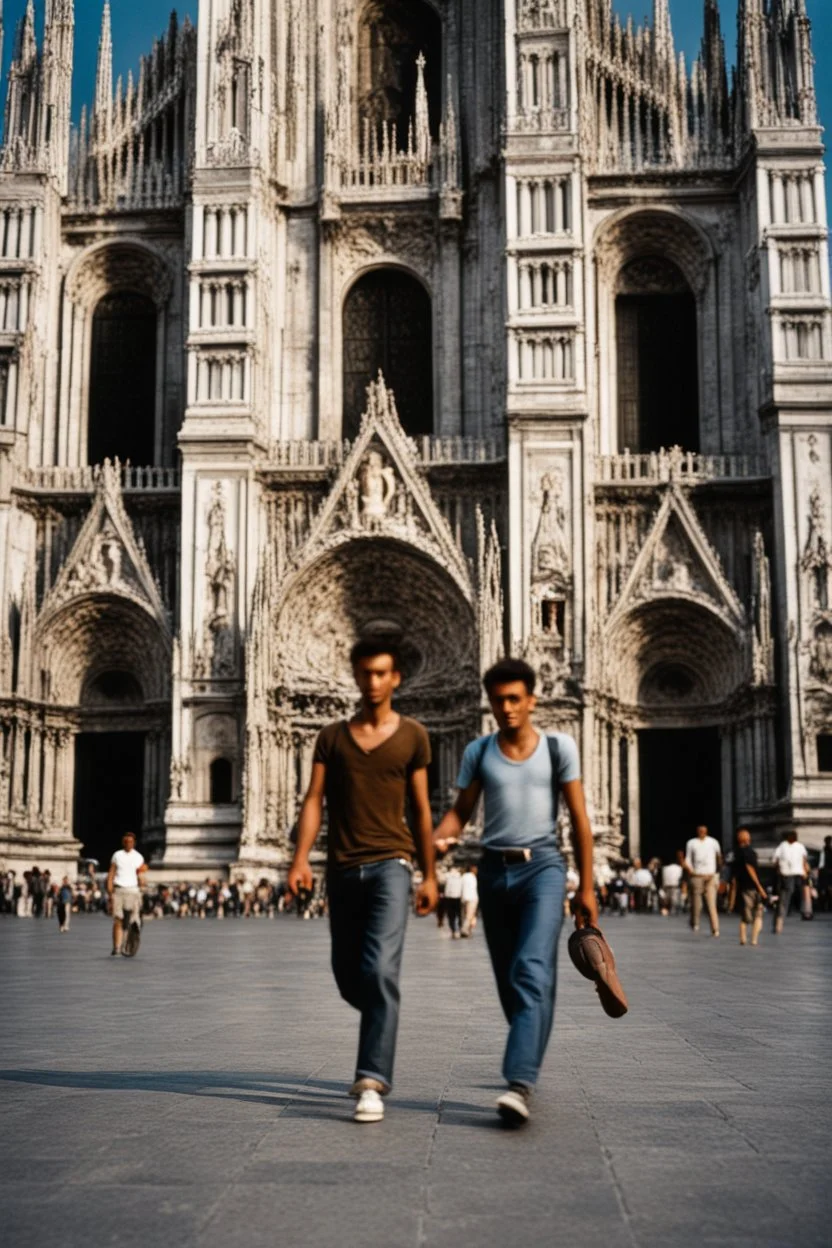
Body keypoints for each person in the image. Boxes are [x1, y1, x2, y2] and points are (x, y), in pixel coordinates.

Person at [434, 657, 598, 1126]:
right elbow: (459, 814)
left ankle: (519, 1081)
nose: (505, 708)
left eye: (513, 699)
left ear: (531, 700)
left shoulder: (558, 746)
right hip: (492, 870)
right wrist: (433, 840)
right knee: (512, 983)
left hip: (543, 868)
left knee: (530, 968)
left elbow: (580, 820)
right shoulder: (479, 751)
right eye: (498, 700)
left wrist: (585, 886)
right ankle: (529, 1039)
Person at [287, 637, 438, 1125]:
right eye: (365, 673)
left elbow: (420, 808)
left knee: (379, 972)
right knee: (349, 976)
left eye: (382, 673)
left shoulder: (414, 735)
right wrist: (299, 859)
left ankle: (371, 1079)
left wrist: (429, 872)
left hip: (393, 864)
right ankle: (380, 1012)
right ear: (355, 675)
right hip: (342, 868)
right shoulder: (330, 737)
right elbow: (314, 800)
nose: (373, 682)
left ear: (396, 678)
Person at [106, 832, 147, 955]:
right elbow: (111, 873)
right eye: (126, 841)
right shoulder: (117, 855)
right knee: (118, 919)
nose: (128, 843)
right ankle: (117, 947)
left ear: (134, 843)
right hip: (118, 890)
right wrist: (110, 890)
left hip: (133, 891)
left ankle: (128, 945)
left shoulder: (139, 857)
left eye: (130, 841)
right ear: (123, 842)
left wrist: (142, 888)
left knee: (133, 920)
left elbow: (141, 875)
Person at [730, 829, 767, 947]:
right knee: (758, 914)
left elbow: (733, 876)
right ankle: (754, 939)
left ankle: (743, 938)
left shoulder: (735, 853)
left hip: (743, 887)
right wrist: (760, 887)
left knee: (745, 916)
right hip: (752, 887)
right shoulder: (749, 853)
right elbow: (751, 870)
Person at [684, 825, 723, 937]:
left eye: (704, 831)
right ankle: (695, 923)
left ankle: (715, 929)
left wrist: (717, 872)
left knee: (711, 903)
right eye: (700, 831)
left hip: (710, 876)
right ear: (697, 831)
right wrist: (690, 870)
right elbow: (688, 858)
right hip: (697, 875)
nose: (702, 832)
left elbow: (718, 857)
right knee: (697, 903)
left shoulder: (713, 842)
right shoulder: (691, 843)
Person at [772, 830, 810, 933]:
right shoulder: (790, 846)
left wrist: (778, 869)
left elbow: (775, 860)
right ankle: (782, 918)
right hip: (794, 874)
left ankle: (781, 918)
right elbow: (804, 860)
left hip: (789, 874)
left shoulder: (784, 846)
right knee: (790, 896)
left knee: (786, 898)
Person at [444, 865, 463, 938]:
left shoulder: (447, 876)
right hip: (458, 898)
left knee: (451, 915)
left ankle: (453, 930)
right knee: (459, 914)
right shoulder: (460, 876)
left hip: (449, 898)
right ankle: (459, 929)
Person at [460, 865, 479, 937]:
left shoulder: (464, 876)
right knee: (469, 915)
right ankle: (464, 930)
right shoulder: (473, 877)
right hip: (472, 898)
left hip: (464, 898)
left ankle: (468, 930)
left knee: (465, 915)